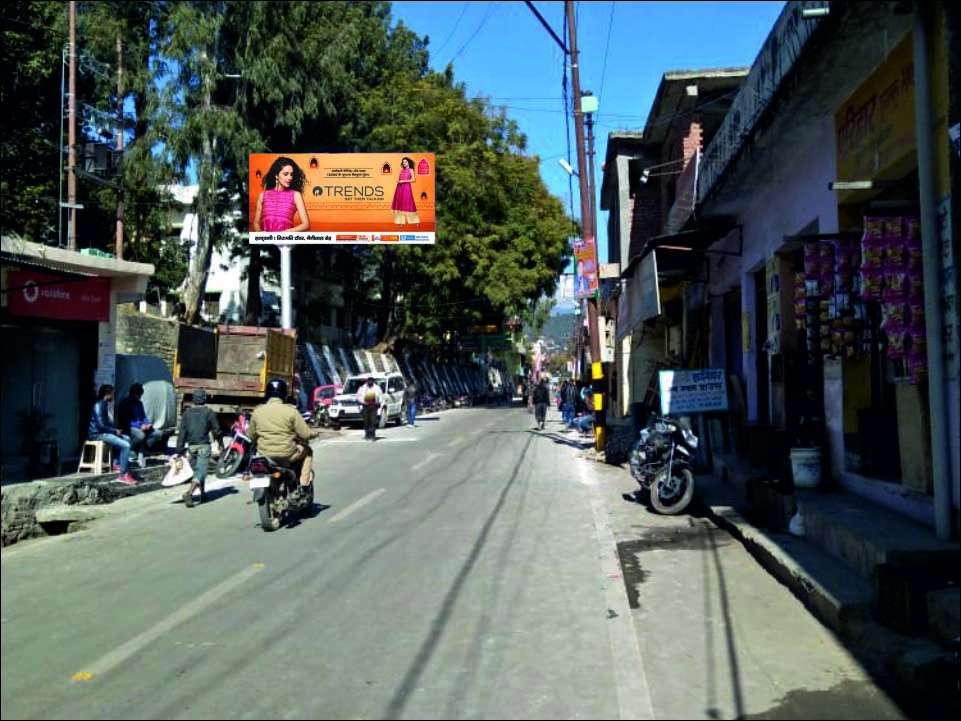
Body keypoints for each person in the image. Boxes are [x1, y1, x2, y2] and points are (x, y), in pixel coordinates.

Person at [247, 377, 320, 495]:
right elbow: (305, 434)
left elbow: (250, 435)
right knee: (308, 451)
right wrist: (315, 434)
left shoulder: (257, 411)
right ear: (284, 394)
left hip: (264, 454)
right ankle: (304, 483)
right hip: (287, 454)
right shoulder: (291, 411)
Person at [174, 388, 220, 508]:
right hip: (204, 446)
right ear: (205, 399)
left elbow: (182, 433)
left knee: (198, 471)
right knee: (201, 471)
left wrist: (179, 450)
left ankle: (203, 494)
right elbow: (217, 430)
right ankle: (188, 493)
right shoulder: (209, 413)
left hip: (191, 447)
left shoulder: (186, 414)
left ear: (193, 400)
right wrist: (220, 443)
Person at [87, 384, 136, 485]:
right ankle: (123, 475)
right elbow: (100, 425)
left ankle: (116, 463)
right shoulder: (99, 405)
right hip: (97, 434)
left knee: (126, 438)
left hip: (103, 432)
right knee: (126, 446)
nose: (113, 396)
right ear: (107, 394)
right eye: (112, 394)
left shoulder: (103, 404)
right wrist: (114, 431)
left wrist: (114, 430)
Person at [253, 156, 310, 232]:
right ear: (276, 175)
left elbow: (306, 225)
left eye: (291, 174)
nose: (290, 178)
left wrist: (286, 233)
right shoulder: (262, 196)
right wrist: (259, 232)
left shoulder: (296, 195)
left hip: (285, 241)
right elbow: (256, 223)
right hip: (265, 242)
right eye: (286, 174)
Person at [117, 382, 164, 468]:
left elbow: (143, 416)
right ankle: (130, 448)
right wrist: (139, 426)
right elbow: (126, 421)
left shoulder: (139, 404)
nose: (140, 397)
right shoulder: (125, 404)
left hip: (141, 426)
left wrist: (147, 424)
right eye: (138, 395)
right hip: (129, 427)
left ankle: (142, 449)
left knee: (158, 433)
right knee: (140, 435)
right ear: (133, 394)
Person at [390, 156, 420, 225]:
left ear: (408, 162)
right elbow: (399, 179)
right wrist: (398, 181)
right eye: (403, 162)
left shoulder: (411, 170)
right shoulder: (401, 170)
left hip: (406, 188)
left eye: (405, 162)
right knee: (399, 203)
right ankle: (400, 222)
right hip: (399, 188)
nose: (404, 163)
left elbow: (413, 179)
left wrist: (403, 181)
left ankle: (415, 221)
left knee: (409, 203)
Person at [356, 376, 383, 441]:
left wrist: (379, 402)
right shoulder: (362, 388)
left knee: (373, 421)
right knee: (366, 421)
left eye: (372, 380)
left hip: (374, 406)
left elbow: (381, 396)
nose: (370, 381)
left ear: (373, 381)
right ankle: (367, 434)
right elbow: (358, 396)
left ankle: (372, 435)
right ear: (367, 381)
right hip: (365, 406)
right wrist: (363, 402)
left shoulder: (377, 387)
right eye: (369, 380)